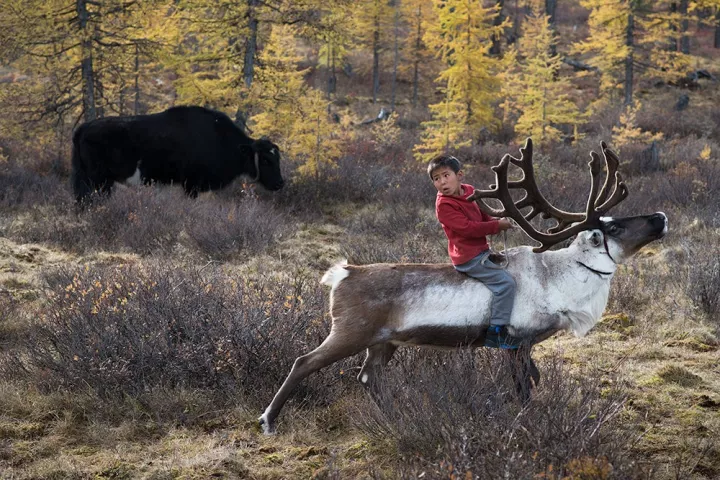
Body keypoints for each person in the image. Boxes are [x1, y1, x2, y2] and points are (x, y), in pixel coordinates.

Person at [428, 154, 520, 349]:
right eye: (437, 179)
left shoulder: (470, 191)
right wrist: (496, 226)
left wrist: (497, 219)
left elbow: (484, 213)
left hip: (481, 251)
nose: (442, 182)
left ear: (459, 175)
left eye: (446, 175)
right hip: (468, 258)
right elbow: (468, 229)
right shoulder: (444, 205)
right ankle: (497, 332)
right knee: (506, 284)